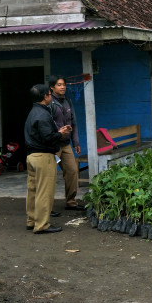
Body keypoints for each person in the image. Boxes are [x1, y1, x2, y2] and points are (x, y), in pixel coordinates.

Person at [25, 84, 72, 234]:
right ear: (45, 96)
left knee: (33, 190)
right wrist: (60, 134)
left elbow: (40, 134)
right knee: (44, 192)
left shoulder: (33, 112)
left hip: (32, 156)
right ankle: (42, 225)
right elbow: (47, 138)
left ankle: (32, 221)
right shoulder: (43, 114)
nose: (51, 97)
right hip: (43, 157)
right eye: (49, 94)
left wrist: (57, 132)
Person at [49, 75, 85, 211]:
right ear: (52, 87)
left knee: (72, 171)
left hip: (66, 145)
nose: (63, 87)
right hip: (53, 147)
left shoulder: (68, 102)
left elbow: (74, 123)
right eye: (59, 84)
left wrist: (76, 142)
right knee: (50, 174)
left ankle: (71, 202)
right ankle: (47, 207)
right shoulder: (49, 103)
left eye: (63, 84)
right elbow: (46, 124)